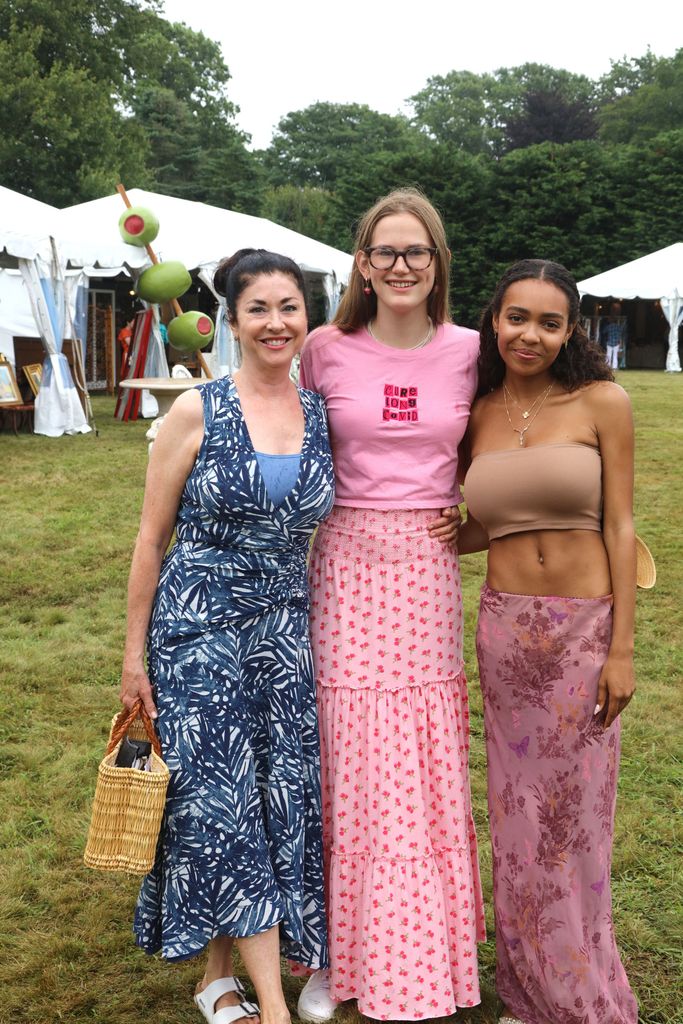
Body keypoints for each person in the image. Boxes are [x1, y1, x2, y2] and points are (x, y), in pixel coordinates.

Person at [119, 249, 335, 1024]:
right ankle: (272, 1007)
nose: (276, 323)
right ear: (232, 322)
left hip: (282, 637)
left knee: (271, 802)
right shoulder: (195, 410)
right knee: (223, 804)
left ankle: (216, 978)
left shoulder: (317, 413)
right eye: (259, 309)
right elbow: (151, 539)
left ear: (306, 316)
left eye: (289, 306)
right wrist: (132, 656)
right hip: (199, 633)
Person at [296, 188, 486, 1022]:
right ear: (362, 266)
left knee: (419, 751)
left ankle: (425, 944)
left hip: (428, 569)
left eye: (417, 252)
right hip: (345, 562)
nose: (401, 266)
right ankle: (336, 951)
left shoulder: (473, 351)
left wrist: (479, 510)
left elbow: (511, 439)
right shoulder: (324, 348)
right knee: (346, 753)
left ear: (438, 264)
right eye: (385, 253)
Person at [458, 259, 638, 1024]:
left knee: (574, 822)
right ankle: (528, 992)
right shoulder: (478, 412)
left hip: (582, 633)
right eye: (515, 317)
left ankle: (580, 993)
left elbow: (621, 526)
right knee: (517, 818)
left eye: (548, 321)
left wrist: (621, 648)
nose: (528, 334)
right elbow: (474, 523)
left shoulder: (602, 401)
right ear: (493, 321)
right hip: (505, 633)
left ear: (571, 331)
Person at [600, 302, 625, 370]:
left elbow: (603, 331)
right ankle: (614, 367)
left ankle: (608, 366)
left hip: (610, 342)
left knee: (609, 355)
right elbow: (621, 332)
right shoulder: (617, 326)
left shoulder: (609, 326)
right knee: (614, 356)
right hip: (615, 343)